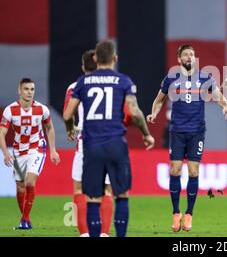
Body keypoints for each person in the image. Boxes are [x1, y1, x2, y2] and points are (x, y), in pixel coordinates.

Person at [63, 40, 155, 237]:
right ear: (115, 58)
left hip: (91, 145)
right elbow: (135, 112)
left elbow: (67, 114)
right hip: (115, 144)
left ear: (95, 58)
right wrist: (146, 134)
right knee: (121, 195)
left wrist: (70, 129)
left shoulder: (83, 82)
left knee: (92, 197)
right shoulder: (123, 81)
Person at [147, 44, 227, 233]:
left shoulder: (203, 77)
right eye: (185, 55)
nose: (189, 57)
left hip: (196, 132)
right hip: (177, 131)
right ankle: (176, 213)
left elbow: (218, 95)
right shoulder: (171, 78)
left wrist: (225, 107)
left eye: (192, 55)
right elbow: (159, 99)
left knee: (193, 172)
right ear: (179, 59)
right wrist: (154, 113)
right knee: (175, 170)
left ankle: (189, 214)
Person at [64, 50, 113, 237]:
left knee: (79, 189)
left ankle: (84, 234)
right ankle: (105, 233)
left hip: (86, 142)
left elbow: (67, 113)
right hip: (109, 140)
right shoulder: (112, 82)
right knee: (107, 190)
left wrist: (70, 128)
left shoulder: (75, 86)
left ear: (83, 66)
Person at [0, 78, 60, 230]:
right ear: (19, 90)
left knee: (29, 182)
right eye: (26, 89)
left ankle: (25, 220)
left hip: (37, 149)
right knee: (20, 187)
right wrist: (6, 153)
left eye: (32, 89)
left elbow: (50, 128)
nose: (29, 92)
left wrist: (52, 149)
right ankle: (25, 219)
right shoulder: (10, 110)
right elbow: (2, 133)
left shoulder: (42, 109)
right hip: (19, 151)